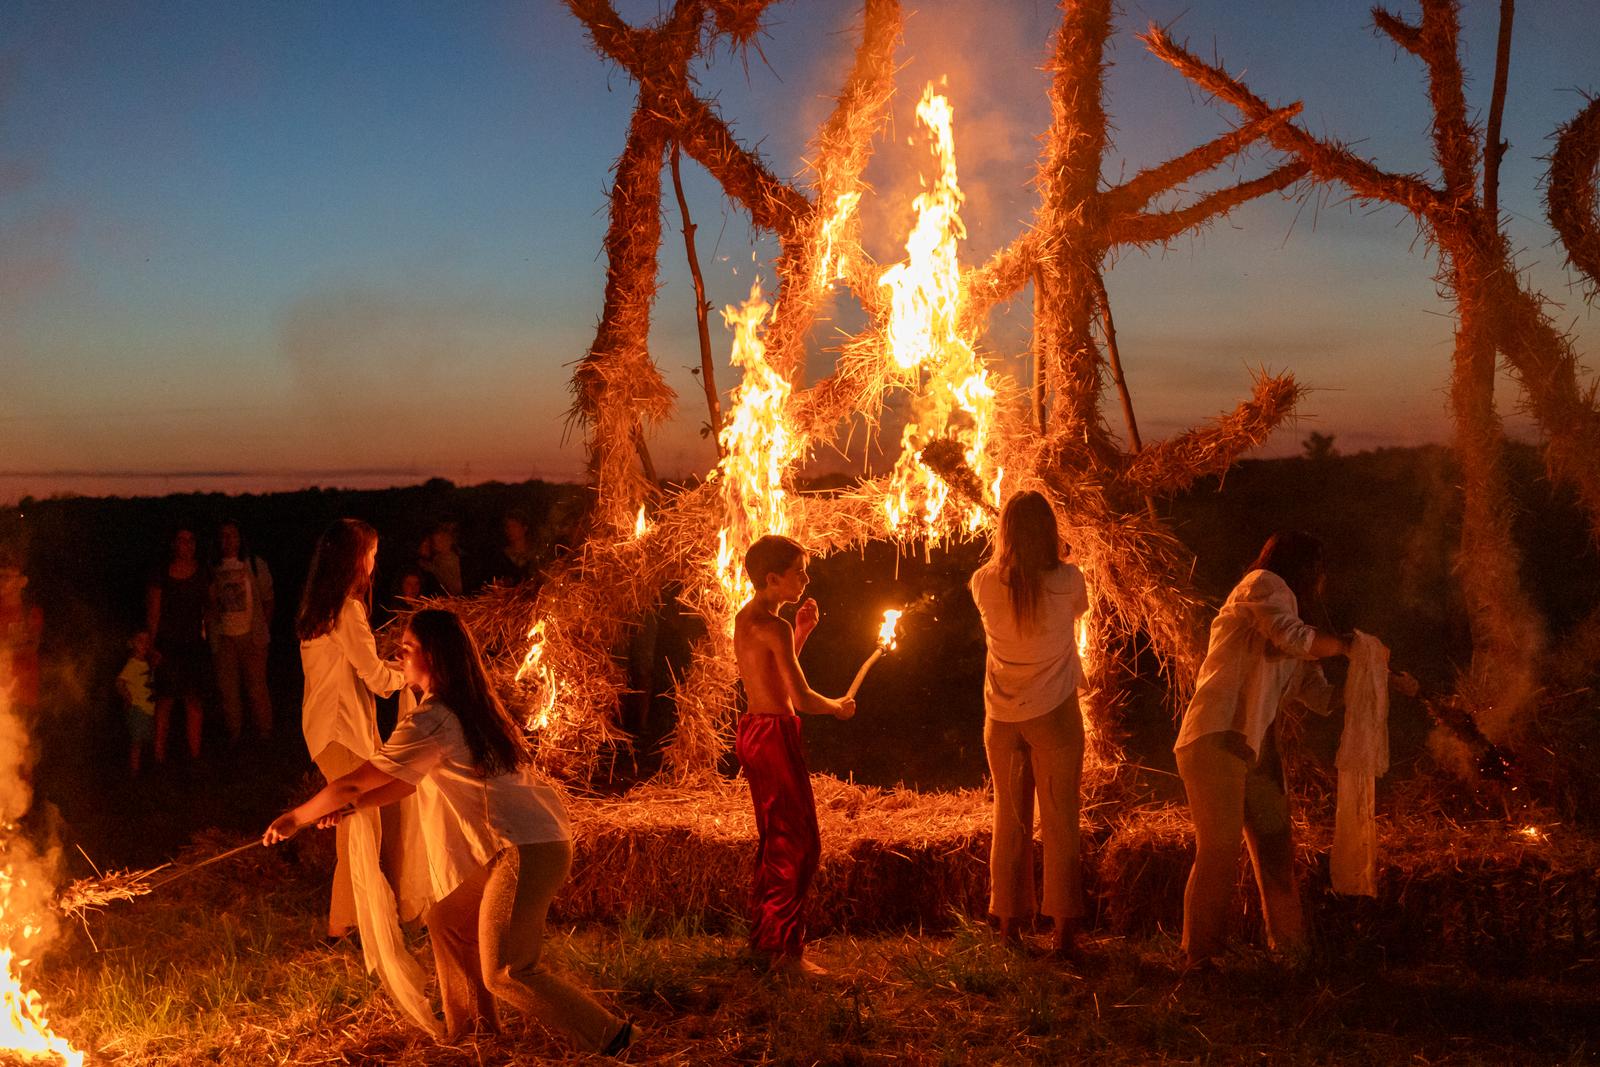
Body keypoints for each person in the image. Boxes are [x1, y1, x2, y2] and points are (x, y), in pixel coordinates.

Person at [264, 608, 635, 1056]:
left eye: (407, 649)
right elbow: (401, 783)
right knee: (446, 920)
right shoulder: (466, 709)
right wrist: (353, 808)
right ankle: (474, 1034)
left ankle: (612, 1036)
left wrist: (295, 818)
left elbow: (353, 780)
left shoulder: (433, 718)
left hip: (523, 847)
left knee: (507, 972)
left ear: (433, 657)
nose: (399, 657)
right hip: (528, 842)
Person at [1172, 531, 1351, 970]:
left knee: (1275, 847)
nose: (1323, 582)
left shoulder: (1290, 615)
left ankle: (1290, 953)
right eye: (1321, 571)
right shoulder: (1262, 586)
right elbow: (1293, 637)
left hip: (1253, 744)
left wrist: (1370, 677)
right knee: (1219, 847)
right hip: (1217, 734)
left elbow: (1322, 697)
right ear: (1308, 568)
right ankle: (1199, 957)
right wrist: (1347, 644)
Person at [969, 490, 1090, 958]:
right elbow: (1075, 612)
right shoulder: (1070, 580)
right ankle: (1063, 935)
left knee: (1009, 821)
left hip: (1001, 719)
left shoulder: (982, 582)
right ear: (1050, 531)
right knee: (1061, 821)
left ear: (1004, 532)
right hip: (1054, 714)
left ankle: (1008, 927)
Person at [732, 534, 855, 976]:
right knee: (799, 844)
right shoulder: (773, 625)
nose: (805, 578)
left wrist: (801, 633)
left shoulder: (749, 619)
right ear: (772, 578)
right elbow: (799, 697)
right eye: (798, 571)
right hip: (774, 735)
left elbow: (775, 676)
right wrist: (837, 706)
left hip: (753, 731)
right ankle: (786, 954)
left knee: (776, 839)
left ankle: (767, 939)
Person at [146, 526, 210, 761]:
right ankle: (159, 756)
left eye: (191, 540)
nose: (188, 545)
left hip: (193, 644)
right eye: (182, 540)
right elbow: (153, 612)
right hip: (168, 645)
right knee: (165, 701)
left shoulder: (202, 572)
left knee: (194, 700)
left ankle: (195, 756)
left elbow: (209, 607)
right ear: (174, 544)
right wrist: (152, 647)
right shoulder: (161, 573)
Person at [209, 519, 274, 742]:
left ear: (240, 538)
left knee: (257, 688)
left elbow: (268, 599)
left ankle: (264, 733)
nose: (228, 540)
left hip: (252, 637)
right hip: (223, 637)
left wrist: (262, 628)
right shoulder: (213, 568)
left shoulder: (255, 565)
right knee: (228, 691)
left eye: (232, 535)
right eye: (224, 535)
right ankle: (234, 735)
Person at [0, 548, 42, 712]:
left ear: (22, 581)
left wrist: (5, 648)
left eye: (7, 577)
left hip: (23, 695)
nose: (1, 582)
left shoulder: (30, 611)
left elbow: (31, 645)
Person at [117, 630, 157, 775]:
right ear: (133, 643)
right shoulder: (132, 664)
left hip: (148, 708)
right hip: (138, 708)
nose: (145, 644)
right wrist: (127, 697)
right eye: (140, 641)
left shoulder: (146, 663)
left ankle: (144, 766)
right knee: (137, 741)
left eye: (147, 641)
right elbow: (120, 682)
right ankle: (134, 769)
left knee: (146, 738)